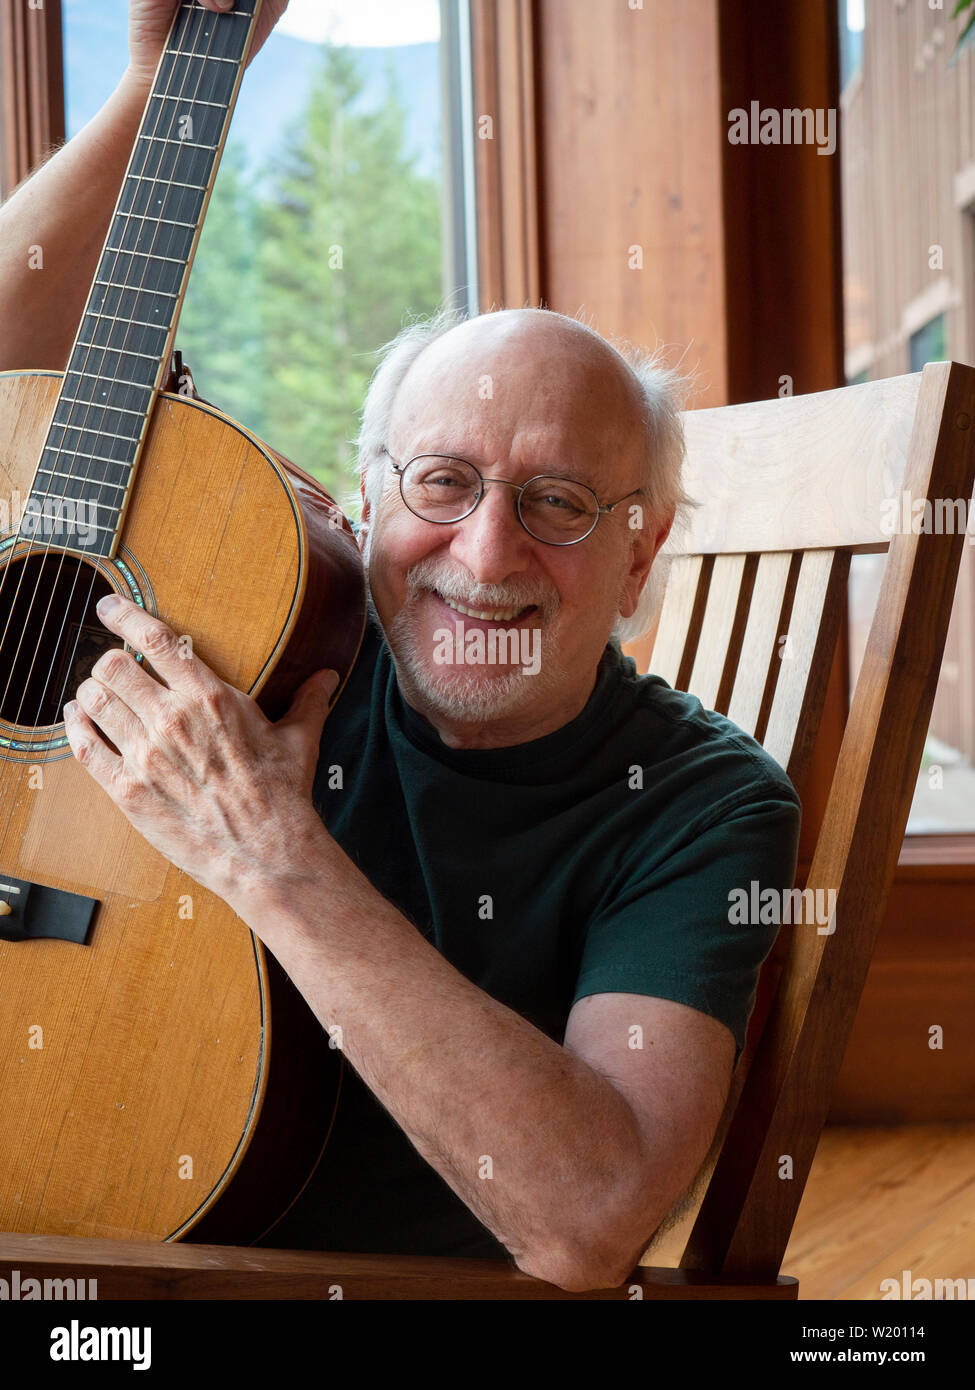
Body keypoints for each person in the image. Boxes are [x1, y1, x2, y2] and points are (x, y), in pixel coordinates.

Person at [0, 0, 801, 1292]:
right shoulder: (280, 611)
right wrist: (157, 86)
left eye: (560, 504)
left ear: (641, 555)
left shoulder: (706, 807)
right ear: (361, 504)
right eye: (442, 484)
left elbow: (591, 1216)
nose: (484, 557)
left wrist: (269, 855)